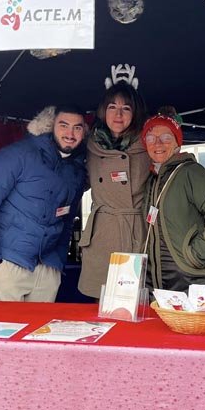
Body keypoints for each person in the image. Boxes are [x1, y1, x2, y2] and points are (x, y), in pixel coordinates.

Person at [0, 104, 87, 302]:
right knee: (6, 331)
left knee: (40, 332)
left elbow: (67, 221)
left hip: (47, 269)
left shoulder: (76, 171)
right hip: (8, 264)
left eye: (77, 127)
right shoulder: (17, 155)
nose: (70, 133)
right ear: (51, 125)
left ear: (84, 132)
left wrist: (57, 263)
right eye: (64, 125)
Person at [142, 107, 205, 291]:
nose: (158, 144)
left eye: (166, 138)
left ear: (177, 142)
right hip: (158, 284)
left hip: (192, 281)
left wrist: (197, 255)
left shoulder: (192, 172)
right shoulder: (152, 179)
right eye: (151, 138)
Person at [78, 70, 149, 298]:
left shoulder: (149, 145)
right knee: (100, 304)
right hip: (102, 232)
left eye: (126, 108)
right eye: (112, 107)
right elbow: (76, 180)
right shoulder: (90, 145)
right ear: (103, 111)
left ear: (135, 113)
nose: (118, 115)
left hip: (136, 230)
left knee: (133, 305)